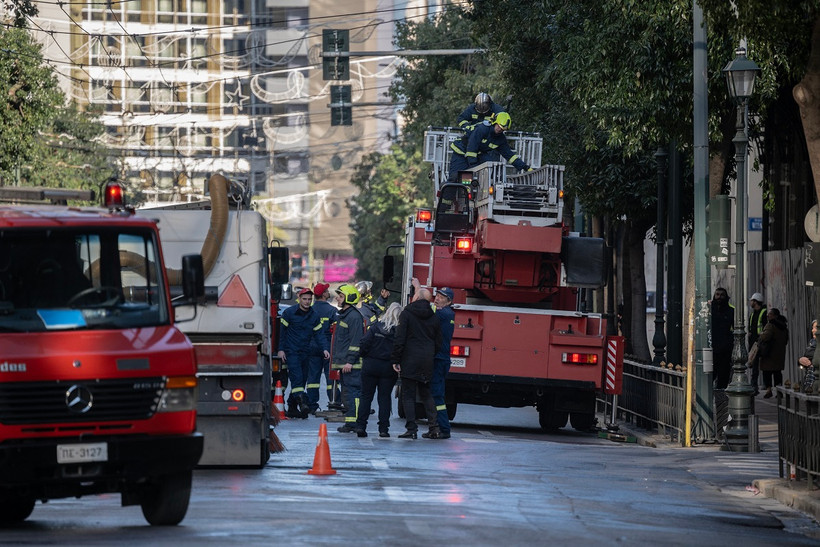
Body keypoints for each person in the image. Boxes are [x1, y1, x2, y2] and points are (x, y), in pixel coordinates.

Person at [391, 282, 442, 439]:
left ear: (416, 297)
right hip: (426, 360)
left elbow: (400, 338)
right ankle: (434, 427)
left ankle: (411, 428)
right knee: (426, 394)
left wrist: (396, 359)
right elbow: (439, 342)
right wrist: (430, 355)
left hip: (409, 359)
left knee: (408, 395)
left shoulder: (407, 314)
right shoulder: (434, 318)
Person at [278, 288, 330, 418]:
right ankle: (303, 404)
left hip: (306, 352)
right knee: (297, 379)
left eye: (309, 299)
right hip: (292, 352)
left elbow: (319, 334)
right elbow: (281, 334)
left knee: (302, 381)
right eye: (304, 299)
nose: (307, 302)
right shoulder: (289, 313)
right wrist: (280, 349)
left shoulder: (314, 315)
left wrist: (324, 348)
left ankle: (292, 407)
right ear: (299, 298)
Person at [355, 302, 402, 438]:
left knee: (366, 396)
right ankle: (383, 429)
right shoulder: (398, 332)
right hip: (388, 368)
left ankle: (361, 426)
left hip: (371, 365)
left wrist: (365, 355)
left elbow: (364, 343)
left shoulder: (375, 327)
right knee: (384, 398)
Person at [447, 112, 530, 184]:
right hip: (461, 152)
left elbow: (510, 155)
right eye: (499, 126)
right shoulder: (482, 129)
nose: (499, 130)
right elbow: (472, 148)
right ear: (495, 122)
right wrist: (475, 168)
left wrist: (525, 167)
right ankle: (446, 201)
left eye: (503, 129)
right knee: (455, 178)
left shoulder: (500, 139)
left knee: (490, 165)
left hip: (478, 154)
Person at [332, 284, 367, 433]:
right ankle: (351, 422)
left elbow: (356, 342)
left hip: (351, 365)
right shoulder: (346, 315)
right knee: (347, 393)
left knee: (353, 394)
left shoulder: (353, 316)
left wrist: (350, 361)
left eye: (340, 296)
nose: (337, 299)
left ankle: (355, 423)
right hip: (346, 363)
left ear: (348, 298)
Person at [306, 282, 338, 414]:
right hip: (328, 347)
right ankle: (334, 402)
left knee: (313, 378)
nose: (328, 292)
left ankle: (312, 405)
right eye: (327, 290)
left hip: (312, 347)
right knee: (331, 377)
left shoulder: (310, 310)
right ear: (324, 294)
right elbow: (337, 331)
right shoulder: (332, 310)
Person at [430, 286, 455, 439]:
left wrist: (419, 289)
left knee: (437, 395)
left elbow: (425, 311)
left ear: (449, 301)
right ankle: (437, 427)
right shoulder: (447, 313)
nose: (437, 298)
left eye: (442, 296)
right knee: (435, 394)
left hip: (439, 359)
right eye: (437, 295)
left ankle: (444, 428)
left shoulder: (444, 313)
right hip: (441, 358)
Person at [758, 308, 789, 398]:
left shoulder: (770, 325)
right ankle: (779, 391)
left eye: (770, 314)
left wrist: (761, 334)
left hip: (768, 353)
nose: (768, 315)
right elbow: (785, 340)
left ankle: (769, 390)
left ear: (775, 316)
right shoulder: (783, 326)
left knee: (767, 372)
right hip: (779, 354)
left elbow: (765, 337)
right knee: (777, 372)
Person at [710, 287, 735, 390]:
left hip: (725, 351)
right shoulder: (709, 310)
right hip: (711, 350)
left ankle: (721, 404)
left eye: (722, 295)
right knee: (708, 377)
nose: (719, 297)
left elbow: (735, 329)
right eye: (717, 294)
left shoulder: (731, 311)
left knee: (723, 379)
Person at [747, 292, 768, 396]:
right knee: (754, 365)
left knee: (764, 365)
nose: (750, 302)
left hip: (762, 343)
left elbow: (766, 328)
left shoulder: (764, 312)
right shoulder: (752, 314)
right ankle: (754, 386)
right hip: (754, 344)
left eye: (752, 301)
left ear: (755, 302)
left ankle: (765, 385)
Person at [798, 319, 817, 392]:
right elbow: (807, 356)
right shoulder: (812, 342)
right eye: (812, 328)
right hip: (809, 376)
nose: (813, 330)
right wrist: (800, 360)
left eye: (816, 328)